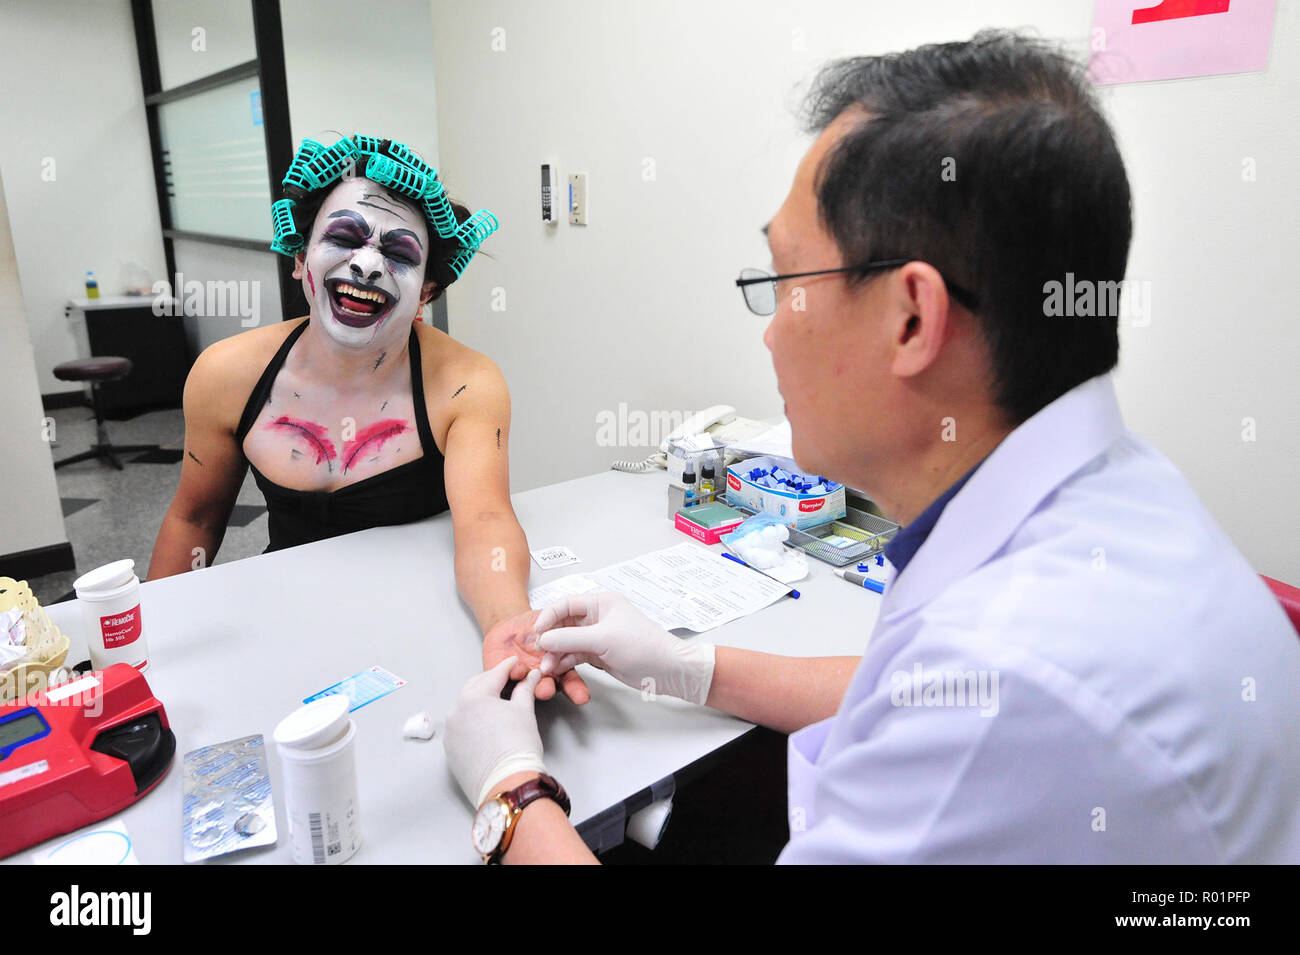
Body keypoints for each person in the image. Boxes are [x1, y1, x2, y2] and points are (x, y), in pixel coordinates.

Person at [441, 32, 1300, 863]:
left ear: (912, 317)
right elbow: (914, 691)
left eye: (784, 283)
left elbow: (966, 709)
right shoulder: (1111, 494)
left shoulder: (1020, 683)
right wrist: (685, 665)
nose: (772, 334)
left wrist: (512, 797)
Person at [150, 135, 588, 703]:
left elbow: (484, 522)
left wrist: (509, 621)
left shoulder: (466, 384)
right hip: (285, 617)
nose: (366, 263)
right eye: (343, 237)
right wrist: (148, 643)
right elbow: (195, 519)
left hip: (422, 619)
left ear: (427, 290)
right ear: (300, 258)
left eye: (401, 255)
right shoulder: (226, 374)